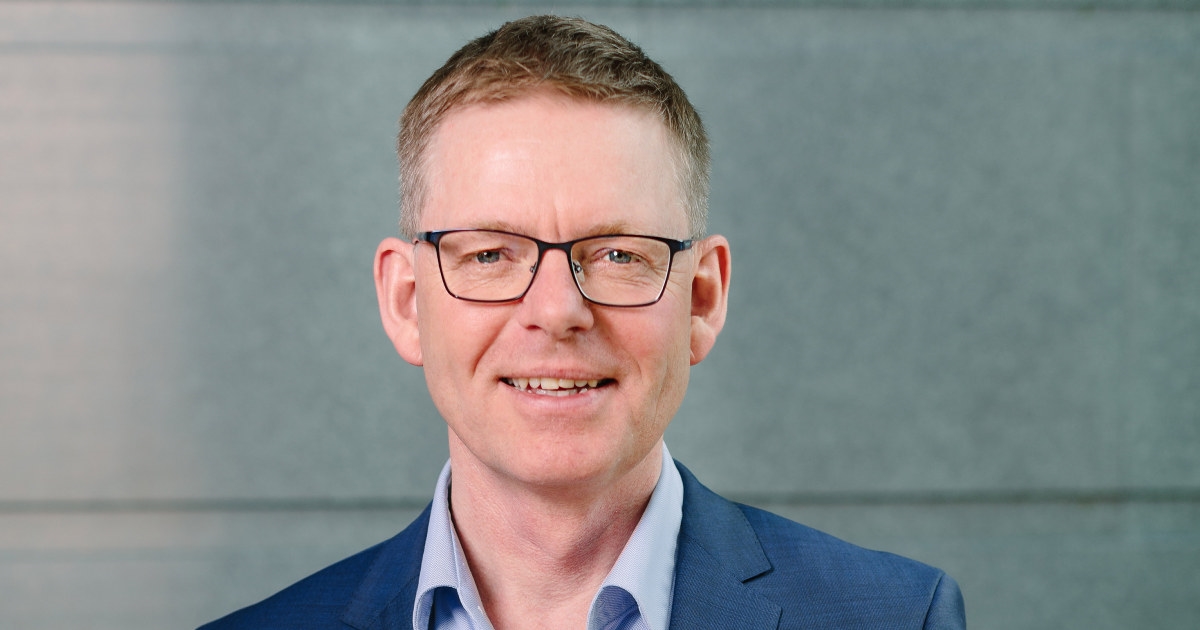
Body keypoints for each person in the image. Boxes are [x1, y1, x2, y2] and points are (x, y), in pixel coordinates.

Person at [202, 15, 965, 630]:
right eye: (491, 254)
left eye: (618, 255)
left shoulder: (895, 618)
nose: (558, 311)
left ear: (701, 300)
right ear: (406, 302)